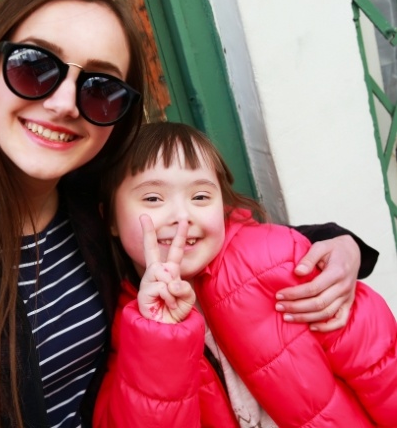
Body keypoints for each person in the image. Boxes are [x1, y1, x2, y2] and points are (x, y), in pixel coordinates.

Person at [0, 0, 379, 428]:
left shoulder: (97, 214)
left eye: (100, 88)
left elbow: (216, 245)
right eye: (35, 67)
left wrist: (337, 246)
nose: (62, 105)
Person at [94, 121, 396, 428]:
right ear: (111, 219)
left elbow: (381, 369)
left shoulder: (278, 260)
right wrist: (157, 338)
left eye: (200, 197)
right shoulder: (125, 324)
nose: (182, 216)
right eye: (153, 198)